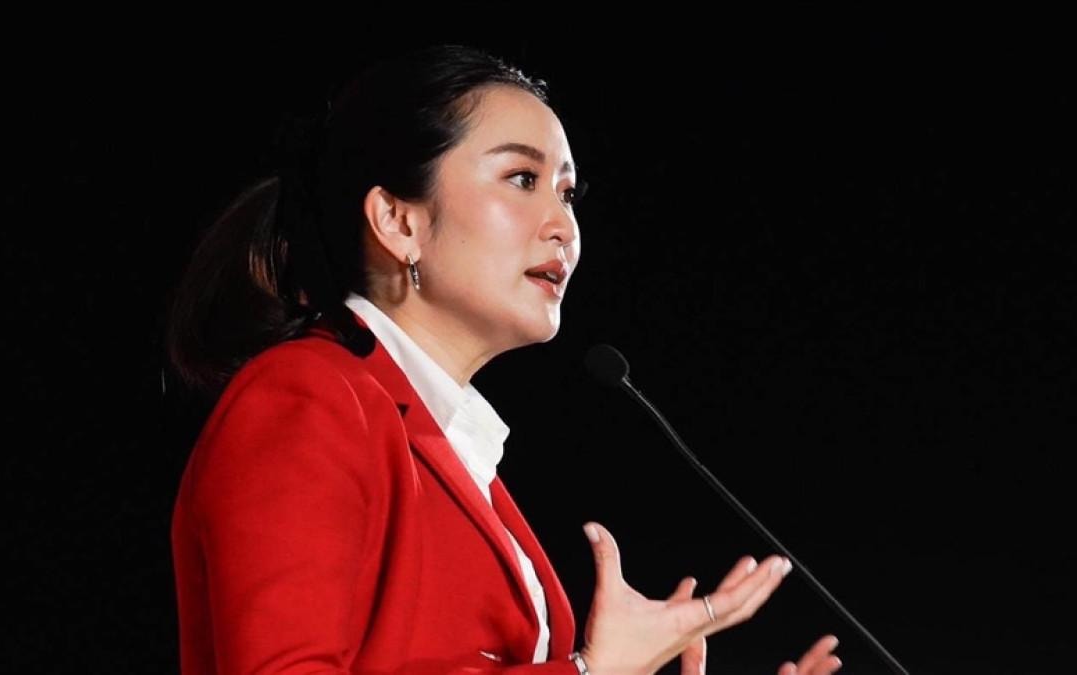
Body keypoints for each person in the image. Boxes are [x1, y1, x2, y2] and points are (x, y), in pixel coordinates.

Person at [164, 43, 843, 675]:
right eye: (522, 178)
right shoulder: (305, 395)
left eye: (566, 193)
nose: (564, 226)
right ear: (399, 221)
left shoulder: (452, 450)